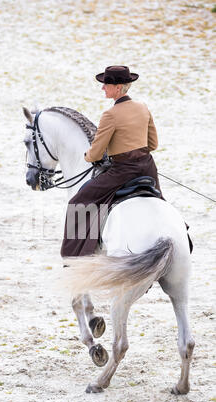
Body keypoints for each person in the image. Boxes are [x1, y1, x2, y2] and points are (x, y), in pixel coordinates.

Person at [61, 65, 164, 258]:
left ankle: (74, 257)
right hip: (148, 169)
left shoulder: (110, 115)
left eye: (106, 84)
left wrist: (87, 156)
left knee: (79, 201)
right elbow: (153, 144)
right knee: (160, 201)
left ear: (118, 88)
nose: (103, 88)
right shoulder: (143, 108)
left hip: (122, 172)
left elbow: (97, 153)